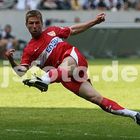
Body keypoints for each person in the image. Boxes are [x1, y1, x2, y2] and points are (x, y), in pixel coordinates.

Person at [5, 10, 140, 125]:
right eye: (31, 23)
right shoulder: (29, 50)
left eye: (37, 22)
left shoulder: (52, 31)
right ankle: (133, 114)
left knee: (65, 66)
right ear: (26, 25)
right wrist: (11, 60)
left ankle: (44, 80)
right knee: (96, 99)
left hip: (72, 58)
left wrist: (94, 21)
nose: (34, 25)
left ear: (42, 23)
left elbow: (73, 30)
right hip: (64, 76)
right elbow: (22, 72)